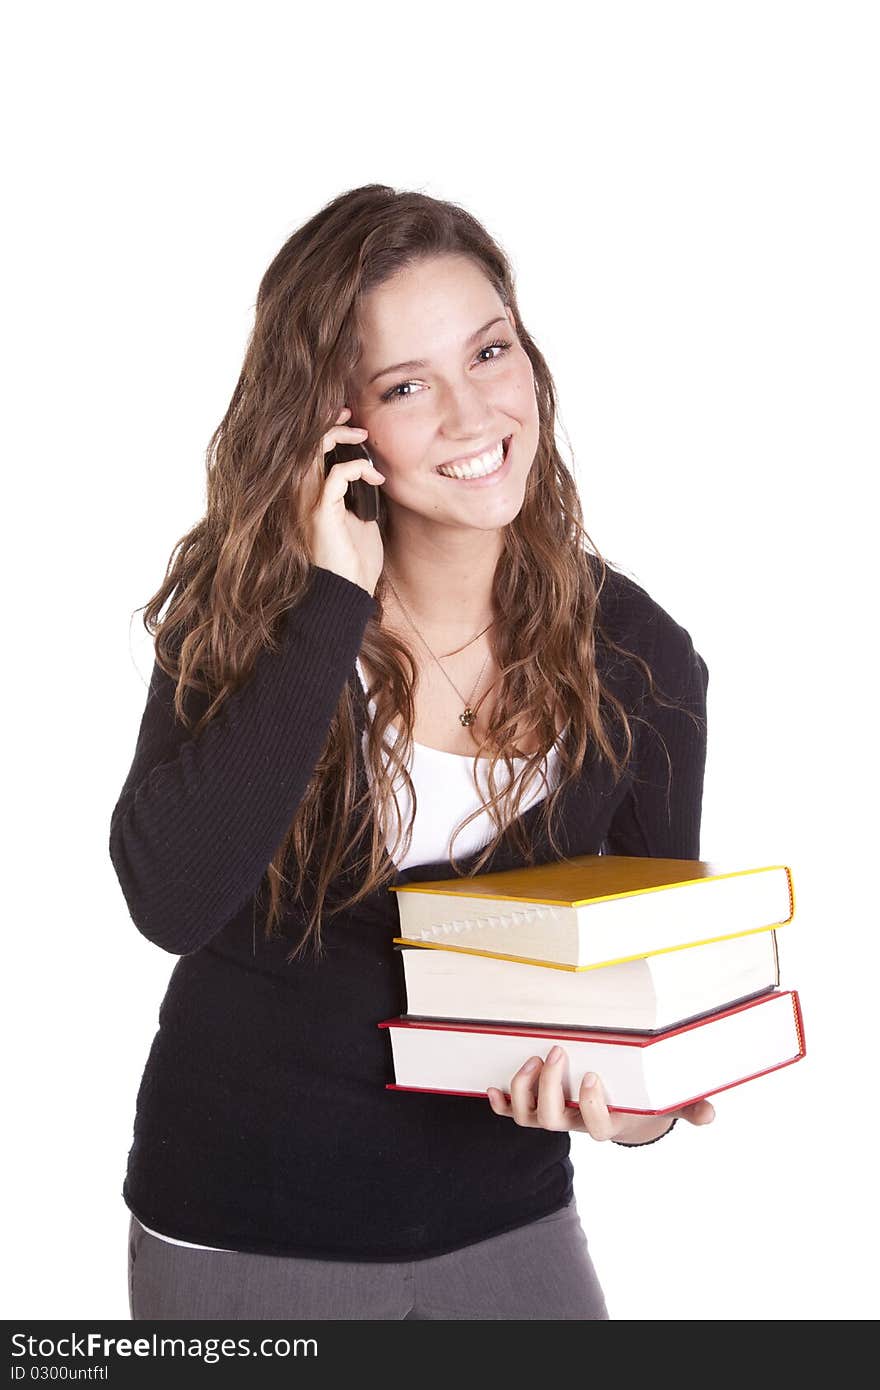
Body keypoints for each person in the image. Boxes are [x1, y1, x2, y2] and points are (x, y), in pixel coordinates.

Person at [110, 184, 713, 1322]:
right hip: (242, 1223)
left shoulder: (640, 657)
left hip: (507, 1215)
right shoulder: (252, 616)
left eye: (489, 351)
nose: (471, 412)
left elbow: (647, 976)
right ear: (335, 427)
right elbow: (171, 901)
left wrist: (630, 1105)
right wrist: (330, 603)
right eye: (403, 386)